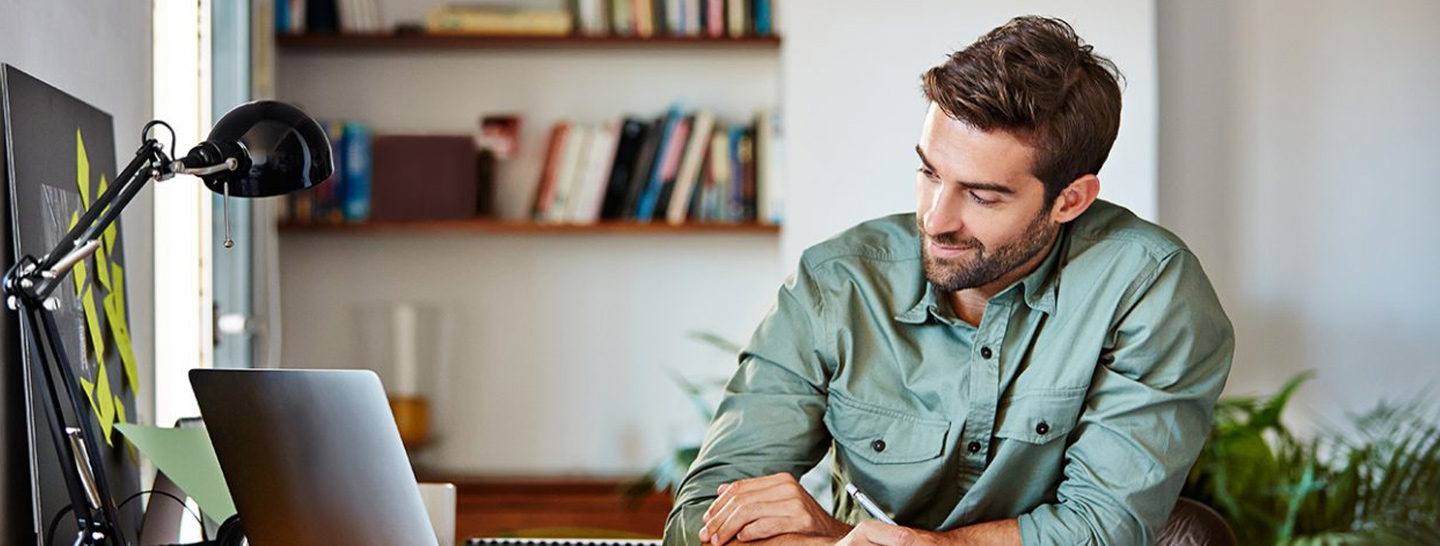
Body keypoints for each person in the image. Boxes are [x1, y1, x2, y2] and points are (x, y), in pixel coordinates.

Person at [663, 15, 1234, 546]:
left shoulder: (1149, 291)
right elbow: (700, 517)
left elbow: (1098, 530)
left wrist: (876, 539)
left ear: (1070, 200)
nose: (936, 220)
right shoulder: (836, 284)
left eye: (982, 196)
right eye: (929, 173)